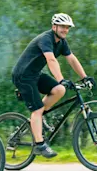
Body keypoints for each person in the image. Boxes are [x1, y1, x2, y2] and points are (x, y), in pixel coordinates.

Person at [11, 13, 92, 159]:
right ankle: (39, 145)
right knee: (37, 109)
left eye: (67, 28)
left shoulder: (61, 42)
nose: (65, 30)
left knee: (59, 90)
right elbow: (51, 60)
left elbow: (72, 59)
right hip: (23, 76)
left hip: (35, 74)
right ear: (54, 27)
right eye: (62, 27)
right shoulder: (45, 39)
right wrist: (61, 78)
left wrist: (84, 77)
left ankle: (38, 118)